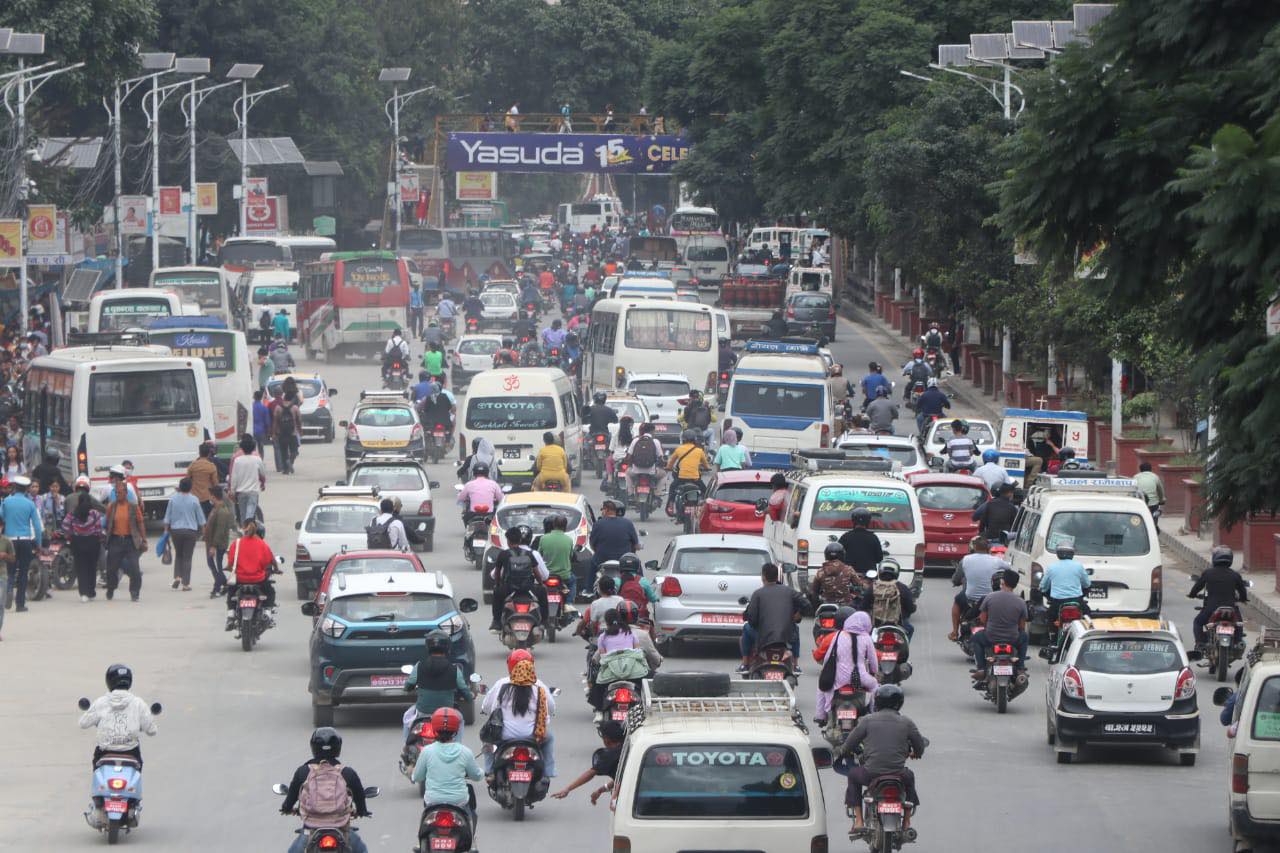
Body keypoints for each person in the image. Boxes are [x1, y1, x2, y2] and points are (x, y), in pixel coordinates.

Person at [836, 685, 925, 833]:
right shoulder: (907, 722)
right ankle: (907, 822)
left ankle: (858, 821)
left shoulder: (866, 721)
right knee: (910, 777)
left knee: (852, 775)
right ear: (900, 702)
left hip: (870, 774)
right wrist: (915, 753)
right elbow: (920, 747)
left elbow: (848, 745)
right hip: (899, 774)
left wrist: (843, 752)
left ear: (877, 702)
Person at [280, 728, 371, 853]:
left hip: (311, 828)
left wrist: (286, 808)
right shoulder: (347, 773)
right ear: (338, 747)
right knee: (362, 850)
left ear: (313, 747)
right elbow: (359, 796)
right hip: (340, 827)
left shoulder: (303, 772)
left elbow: (291, 797)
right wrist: (362, 811)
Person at [480, 652, 556, 779]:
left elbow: (488, 707)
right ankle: (548, 772)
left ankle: (489, 771)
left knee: (487, 738)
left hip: (504, 736)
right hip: (532, 736)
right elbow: (550, 708)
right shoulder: (539, 687)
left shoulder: (502, 685)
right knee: (549, 738)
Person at [411, 706, 483, 826]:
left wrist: (413, 773)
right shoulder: (465, 752)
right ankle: (471, 841)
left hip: (433, 802)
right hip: (459, 802)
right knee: (469, 819)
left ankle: (421, 843)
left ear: (434, 728)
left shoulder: (427, 751)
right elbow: (476, 776)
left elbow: (417, 777)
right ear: (456, 729)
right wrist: (482, 772)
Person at [78, 664, 158, 769]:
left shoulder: (101, 702)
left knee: (98, 781)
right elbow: (152, 731)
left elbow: (83, 724)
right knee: (135, 781)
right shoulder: (138, 703)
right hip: (131, 754)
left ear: (109, 681)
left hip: (105, 753)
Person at [739, 563, 808, 673]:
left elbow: (751, 620)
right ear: (777, 576)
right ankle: (795, 665)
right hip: (785, 637)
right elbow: (806, 604)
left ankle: (745, 664)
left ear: (763, 577)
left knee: (747, 628)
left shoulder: (758, 594)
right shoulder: (789, 592)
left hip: (763, 637)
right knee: (795, 628)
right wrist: (798, 614)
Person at [403, 631, 472, 741]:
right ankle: (457, 746)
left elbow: (408, 686)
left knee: (407, 716)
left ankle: (407, 745)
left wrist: (409, 688)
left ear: (428, 646)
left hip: (422, 713)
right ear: (448, 647)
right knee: (460, 720)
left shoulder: (419, 666)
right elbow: (465, 691)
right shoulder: (454, 669)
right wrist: (469, 697)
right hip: (446, 715)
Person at [815, 611, 879, 727]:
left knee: (821, 687)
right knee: (875, 686)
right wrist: (874, 673)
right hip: (860, 678)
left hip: (838, 678)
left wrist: (825, 672)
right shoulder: (866, 638)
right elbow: (873, 662)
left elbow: (828, 657)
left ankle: (820, 716)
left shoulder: (838, 635)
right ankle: (874, 713)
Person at [488, 526, 549, 632]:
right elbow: (537, 573)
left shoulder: (504, 554)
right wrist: (540, 584)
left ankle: (496, 622)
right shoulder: (529, 554)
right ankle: (545, 621)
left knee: (497, 593)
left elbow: (497, 573)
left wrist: (498, 584)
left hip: (510, 588)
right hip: (528, 588)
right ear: (520, 540)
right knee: (543, 591)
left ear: (508, 541)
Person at [948, 536, 1010, 641]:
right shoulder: (996, 561)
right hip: (989, 598)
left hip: (970, 598)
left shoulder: (966, 560)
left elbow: (956, 578)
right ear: (988, 548)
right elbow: (1009, 568)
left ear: (974, 547)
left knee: (957, 602)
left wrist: (955, 581)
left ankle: (954, 632)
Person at [971, 569, 1029, 678]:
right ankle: (1021, 668)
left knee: (976, 638)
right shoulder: (1021, 602)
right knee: (1024, 637)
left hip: (990, 637)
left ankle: (981, 668)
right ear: (1015, 585)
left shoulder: (990, 597)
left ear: (1003, 581)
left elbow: (982, 620)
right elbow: (1022, 626)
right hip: (1013, 638)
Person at [1189, 546, 1250, 648]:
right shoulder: (1235, 575)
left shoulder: (1208, 573)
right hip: (1231, 608)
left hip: (1211, 607)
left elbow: (1197, 586)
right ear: (1230, 560)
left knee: (1198, 622)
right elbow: (1242, 591)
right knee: (1239, 623)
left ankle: (1200, 643)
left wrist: (1192, 595)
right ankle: (1238, 642)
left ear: (1214, 558)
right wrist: (1243, 599)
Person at [223, 517, 278, 629]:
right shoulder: (262, 545)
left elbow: (231, 563)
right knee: (270, 592)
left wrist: (229, 568)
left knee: (231, 593)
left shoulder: (236, 543)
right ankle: (267, 613)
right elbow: (267, 562)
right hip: (258, 579)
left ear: (243, 529)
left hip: (240, 579)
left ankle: (231, 616)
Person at [551, 721, 624, 804]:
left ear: (607, 739)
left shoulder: (611, 755)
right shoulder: (625, 747)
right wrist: (600, 790)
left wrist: (568, 789)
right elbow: (620, 779)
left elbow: (591, 773)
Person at [103, 469, 144, 602]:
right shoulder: (111, 507)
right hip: (115, 540)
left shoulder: (133, 507)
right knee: (111, 569)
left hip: (130, 541)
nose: (118, 494)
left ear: (126, 493)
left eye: (120, 493)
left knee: (135, 568)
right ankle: (111, 588)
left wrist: (143, 540)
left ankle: (134, 592)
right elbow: (107, 522)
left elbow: (140, 523)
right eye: (116, 492)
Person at [2, 475, 42, 612]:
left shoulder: (6, 502)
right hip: (25, 540)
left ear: (14, 487)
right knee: (24, 572)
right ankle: (20, 604)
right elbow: (36, 526)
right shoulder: (30, 504)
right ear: (26, 489)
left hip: (10, 541)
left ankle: (8, 591)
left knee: (10, 571)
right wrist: (39, 543)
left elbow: (1, 518)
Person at [61, 486, 103, 603]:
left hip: (77, 543)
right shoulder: (95, 513)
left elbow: (64, 526)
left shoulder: (72, 514)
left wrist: (71, 534)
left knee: (81, 568)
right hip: (93, 543)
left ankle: (83, 593)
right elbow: (99, 529)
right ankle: (91, 592)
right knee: (92, 568)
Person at [163, 477, 205, 591]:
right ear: (190, 487)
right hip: (190, 531)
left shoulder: (173, 499)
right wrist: (203, 530)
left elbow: (167, 516)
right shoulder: (194, 500)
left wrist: (166, 530)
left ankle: (177, 577)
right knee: (187, 557)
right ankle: (185, 584)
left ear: (180, 487)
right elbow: (200, 518)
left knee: (179, 555)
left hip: (176, 531)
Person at [589, 499, 640, 591]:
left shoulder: (598, 524)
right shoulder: (627, 523)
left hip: (602, 559)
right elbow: (636, 544)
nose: (602, 512)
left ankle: (588, 590)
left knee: (592, 564)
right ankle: (641, 588)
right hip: (624, 561)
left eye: (603, 510)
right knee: (637, 566)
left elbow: (592, 544)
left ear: (607, 510)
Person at [1038, 539, 1091, 623]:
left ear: (1058, 553)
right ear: (1072, 553)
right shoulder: (1078, 566)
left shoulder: (1051, 567)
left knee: (1049, 619)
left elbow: (1043, 587)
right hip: (1076, 601)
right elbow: (1087, 585)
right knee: (1087, 615)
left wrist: (1048, 596)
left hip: (1057, 603)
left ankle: (1052, 633)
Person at [862, 562, 916, 635]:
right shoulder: (903, 588)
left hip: (876, 624)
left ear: (880, 572)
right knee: (910, 629)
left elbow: (863, 607)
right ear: (896, 573)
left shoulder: (872, 587)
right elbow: (911, 608)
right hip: (898, 624)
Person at [665, 429, 710, 514]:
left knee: (672, 488)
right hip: (695, 479)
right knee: (706, 492)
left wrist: (668, 467)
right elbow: (706, 464)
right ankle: (704, 509)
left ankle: (671, 505)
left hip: (681, 478)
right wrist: (707, 468)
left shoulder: (679, 449)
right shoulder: (699, 450)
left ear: (683, 439)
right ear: (695, 439)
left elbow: (671, 462)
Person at [536, 514, 576, 602]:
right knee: (573, 580)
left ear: (554, 525)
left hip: (546, 575)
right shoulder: (569, 540)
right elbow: (571, 556)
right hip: (564, 576)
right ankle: (568, 604)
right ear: (565, 527)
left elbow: (538, 556)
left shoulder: (543, 538)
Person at [204, 485, 235, 598]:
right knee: (212, 565)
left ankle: (218, 588)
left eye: (210, 495)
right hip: (212, 543)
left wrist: (213, 546)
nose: (209, 498)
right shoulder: (216, 508)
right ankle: (224, 585)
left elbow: (220, 531)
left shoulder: (222, 511)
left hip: (218, 544)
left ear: (214, 496)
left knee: (217, 566)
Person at [809, 542, 862, 607]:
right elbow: (859, 586)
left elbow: (814, 591)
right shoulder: (849, 570)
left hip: (826, 605)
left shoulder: (820, 572)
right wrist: (853, 596)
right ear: (842, 555)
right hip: (845, 605)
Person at [229, 435, 267, 523]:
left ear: (241, 448)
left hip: (241, 493)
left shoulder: (237, 460)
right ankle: (250, 532)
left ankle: (245, 533)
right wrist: (262, 484)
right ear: (253, 447)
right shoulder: (257, 459)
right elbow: (262, 474)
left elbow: (234, 478)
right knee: (250, 514)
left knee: (243, 515)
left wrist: (232, 491)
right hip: (253, 492)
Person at [624, 422, 666, 498]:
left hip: (636, 471)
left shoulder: (635, 440)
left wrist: (630, 464)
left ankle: (630, 493)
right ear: (652, 431)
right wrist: (664, 466)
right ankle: (657, 493)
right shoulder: (656, 442)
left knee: (627, 473)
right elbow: (661, 458)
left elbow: (628, 457)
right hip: (651, 472)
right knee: (664, 475)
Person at [456, 462, 505, 526]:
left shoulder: (469, 484)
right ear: (487, 472)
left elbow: (460, 498)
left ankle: (468, 533)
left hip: (473, 514)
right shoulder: (493, 484)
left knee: (465, 517)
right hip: (490, 513)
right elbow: (501, 499)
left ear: (474, 473)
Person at [838, 508, 883, 577]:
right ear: (868, 521)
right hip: (869, 576)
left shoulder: (845, 537)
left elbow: (838, 556)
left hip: (849, 576)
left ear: (853, 521)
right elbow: (879, 558)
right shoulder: (873, 537)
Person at [272, 390, 301, 475]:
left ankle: (286, 469)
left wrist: (273, 433)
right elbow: (299, 420)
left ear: (284, 398)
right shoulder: (295, 408)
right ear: (291, 399)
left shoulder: (278, 408)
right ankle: (290, 461)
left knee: (283, 451)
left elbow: (275, 421)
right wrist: (300, 430)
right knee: (294, 451)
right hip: (293, 433)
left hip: (281, 433)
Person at [187, 443, 220, 514]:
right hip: (207, 498)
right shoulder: (211, 466)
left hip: (194, 498)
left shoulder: (192, 465)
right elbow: (215, 484)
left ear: (199, 453)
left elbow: (187, 479)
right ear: (208, 453)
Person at [1134, 461, 1166, 530]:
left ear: (1140, 470)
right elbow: (1160, 491)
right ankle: (1154, 527)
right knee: (1155, 516)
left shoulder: (1136, 477)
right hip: (1153, 504)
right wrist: (1162, 499)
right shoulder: (1155, 477)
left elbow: (1133, 490)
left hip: (1140, 503)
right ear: (1151, 469)